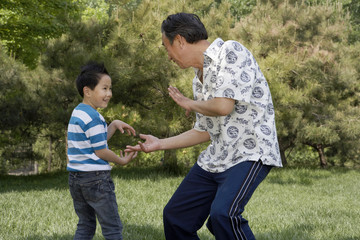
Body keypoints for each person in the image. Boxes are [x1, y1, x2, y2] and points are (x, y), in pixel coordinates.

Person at [126, 12, 282, 240]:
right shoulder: (197, 79)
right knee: (175, 216)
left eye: (165, 46)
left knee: (223, 215)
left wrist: (190, 103)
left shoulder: (231, 51)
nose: (168, 56)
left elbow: (223, 106)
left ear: (179, 40)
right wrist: (159, 144)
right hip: (217, 157)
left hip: (249, 152)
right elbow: (204, 131)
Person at [67, 62, 137, 240]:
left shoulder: (78, 113)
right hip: (96, 179)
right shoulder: (94, 117)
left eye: (110, 88)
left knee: (85, 224)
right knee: (112, 228)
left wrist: (113, 125)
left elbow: (94, 142)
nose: (109, 94)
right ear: (87, 91)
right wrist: (120, 161)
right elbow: (100, 151)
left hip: (76, 179)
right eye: (104, 88)